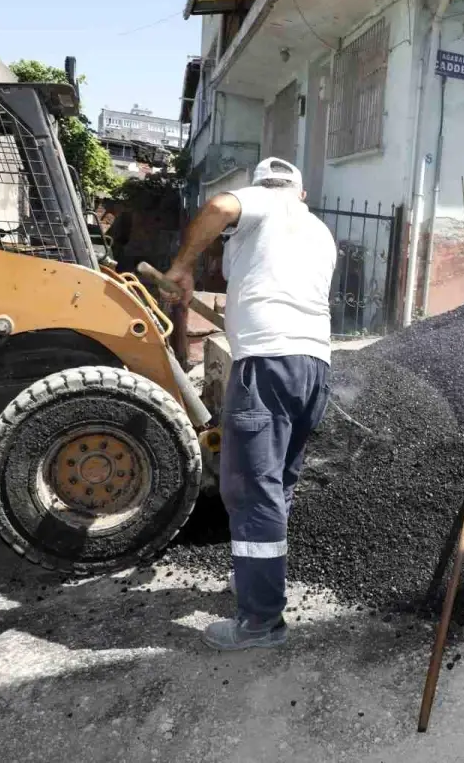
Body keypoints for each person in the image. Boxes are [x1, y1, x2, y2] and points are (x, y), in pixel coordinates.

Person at [164, 158, 337, 651]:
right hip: (313, 366)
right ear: (302, 192)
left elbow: (219, 206)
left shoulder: (263, 201)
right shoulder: (319, 231)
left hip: (266, 365)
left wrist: (181, 267)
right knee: (278, 482)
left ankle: (260, 621)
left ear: (265, 188)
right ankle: (257, 579)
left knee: (251, 488)